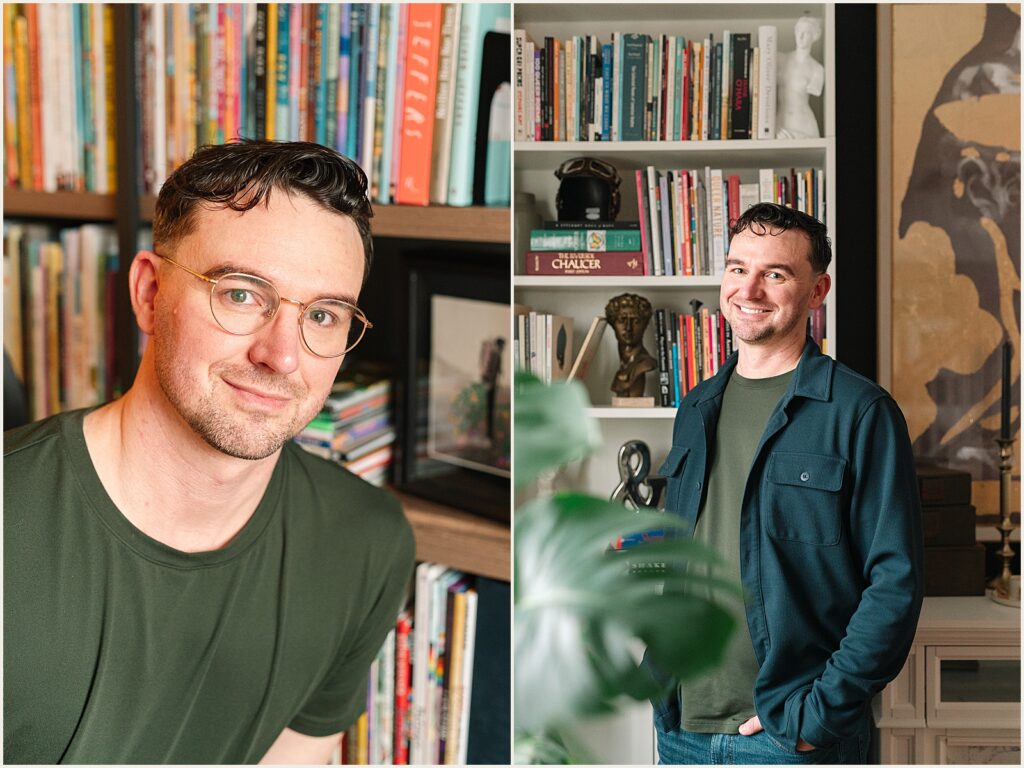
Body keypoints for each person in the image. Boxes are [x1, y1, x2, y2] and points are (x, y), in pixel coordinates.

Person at [4, 140, 415, 764]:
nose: (281, 356)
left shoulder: (367, 544)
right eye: (242, 294)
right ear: (149, 293)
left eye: (325, 315)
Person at [652, 202, 923, 764]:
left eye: (775, 274)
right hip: (681, 723)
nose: (748, 290)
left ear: (816, 291)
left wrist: (818, 716)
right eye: (736, 268)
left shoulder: (860, 412)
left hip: (789, 734)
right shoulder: (696, 406)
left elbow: (894, 583)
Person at [776, 16, 825, 139]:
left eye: (807, 33)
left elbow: (816, 90)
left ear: (814, 37)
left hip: (804, 125)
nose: (801, 36)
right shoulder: (781, 59)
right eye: (799, 31)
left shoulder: (817, 69)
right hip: (781, 123)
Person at [606, 293, 658, 398]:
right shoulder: (621, 364)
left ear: (645, 325)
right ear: (613, 324)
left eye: (635, 321)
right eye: (622, 320)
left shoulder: (646, 363)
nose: (628, 327)